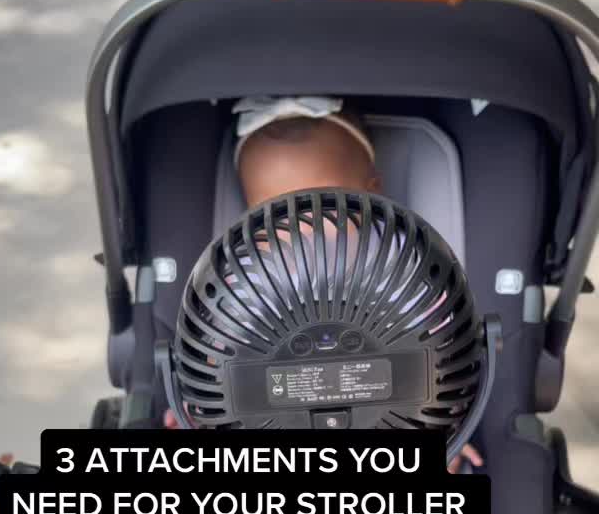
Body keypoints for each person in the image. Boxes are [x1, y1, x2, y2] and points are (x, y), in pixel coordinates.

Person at [170, 95, 483, 474]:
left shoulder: (402, 265)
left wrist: (445, 423)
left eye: (322, 208)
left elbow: (441, 351)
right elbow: (216, 356)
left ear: (372, 195)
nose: (302, 231)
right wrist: (198, 404)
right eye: (274, 215)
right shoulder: (243, 281)